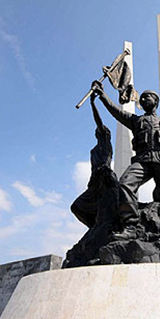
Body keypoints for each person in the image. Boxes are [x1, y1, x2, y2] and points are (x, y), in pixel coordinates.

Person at [91, 80, 160, 240]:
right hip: (142, 161)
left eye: (147, 97)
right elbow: (115, 111)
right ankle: (130, 226)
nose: (143, 99)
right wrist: (102, 95)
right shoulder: (135, 120)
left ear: (156, 101)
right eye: (142, 98)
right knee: (124, 185)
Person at [70, 91, 118, 228]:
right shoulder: (96, 148)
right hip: (94, 180)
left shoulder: (105, 144)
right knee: (77, 207)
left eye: (101, 130)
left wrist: (92, 104)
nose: (98, 131)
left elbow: (98, 121)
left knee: (112, 206)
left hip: (105, 177)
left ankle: (102, 227)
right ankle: (96, 229)